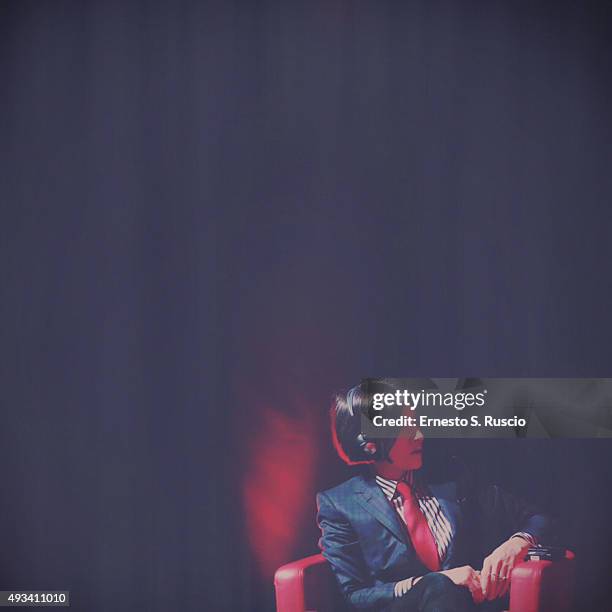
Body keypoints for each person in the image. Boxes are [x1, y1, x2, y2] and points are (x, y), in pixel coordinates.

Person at [317, 380, 551, 611]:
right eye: (404, 428)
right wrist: (434, 583)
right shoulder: (339, 503)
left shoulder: (453, 475)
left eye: (416, 424)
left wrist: (517, 544)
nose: (419, 436)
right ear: (369, 444)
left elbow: (539, 517)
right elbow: (354, 596)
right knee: (437, 585)